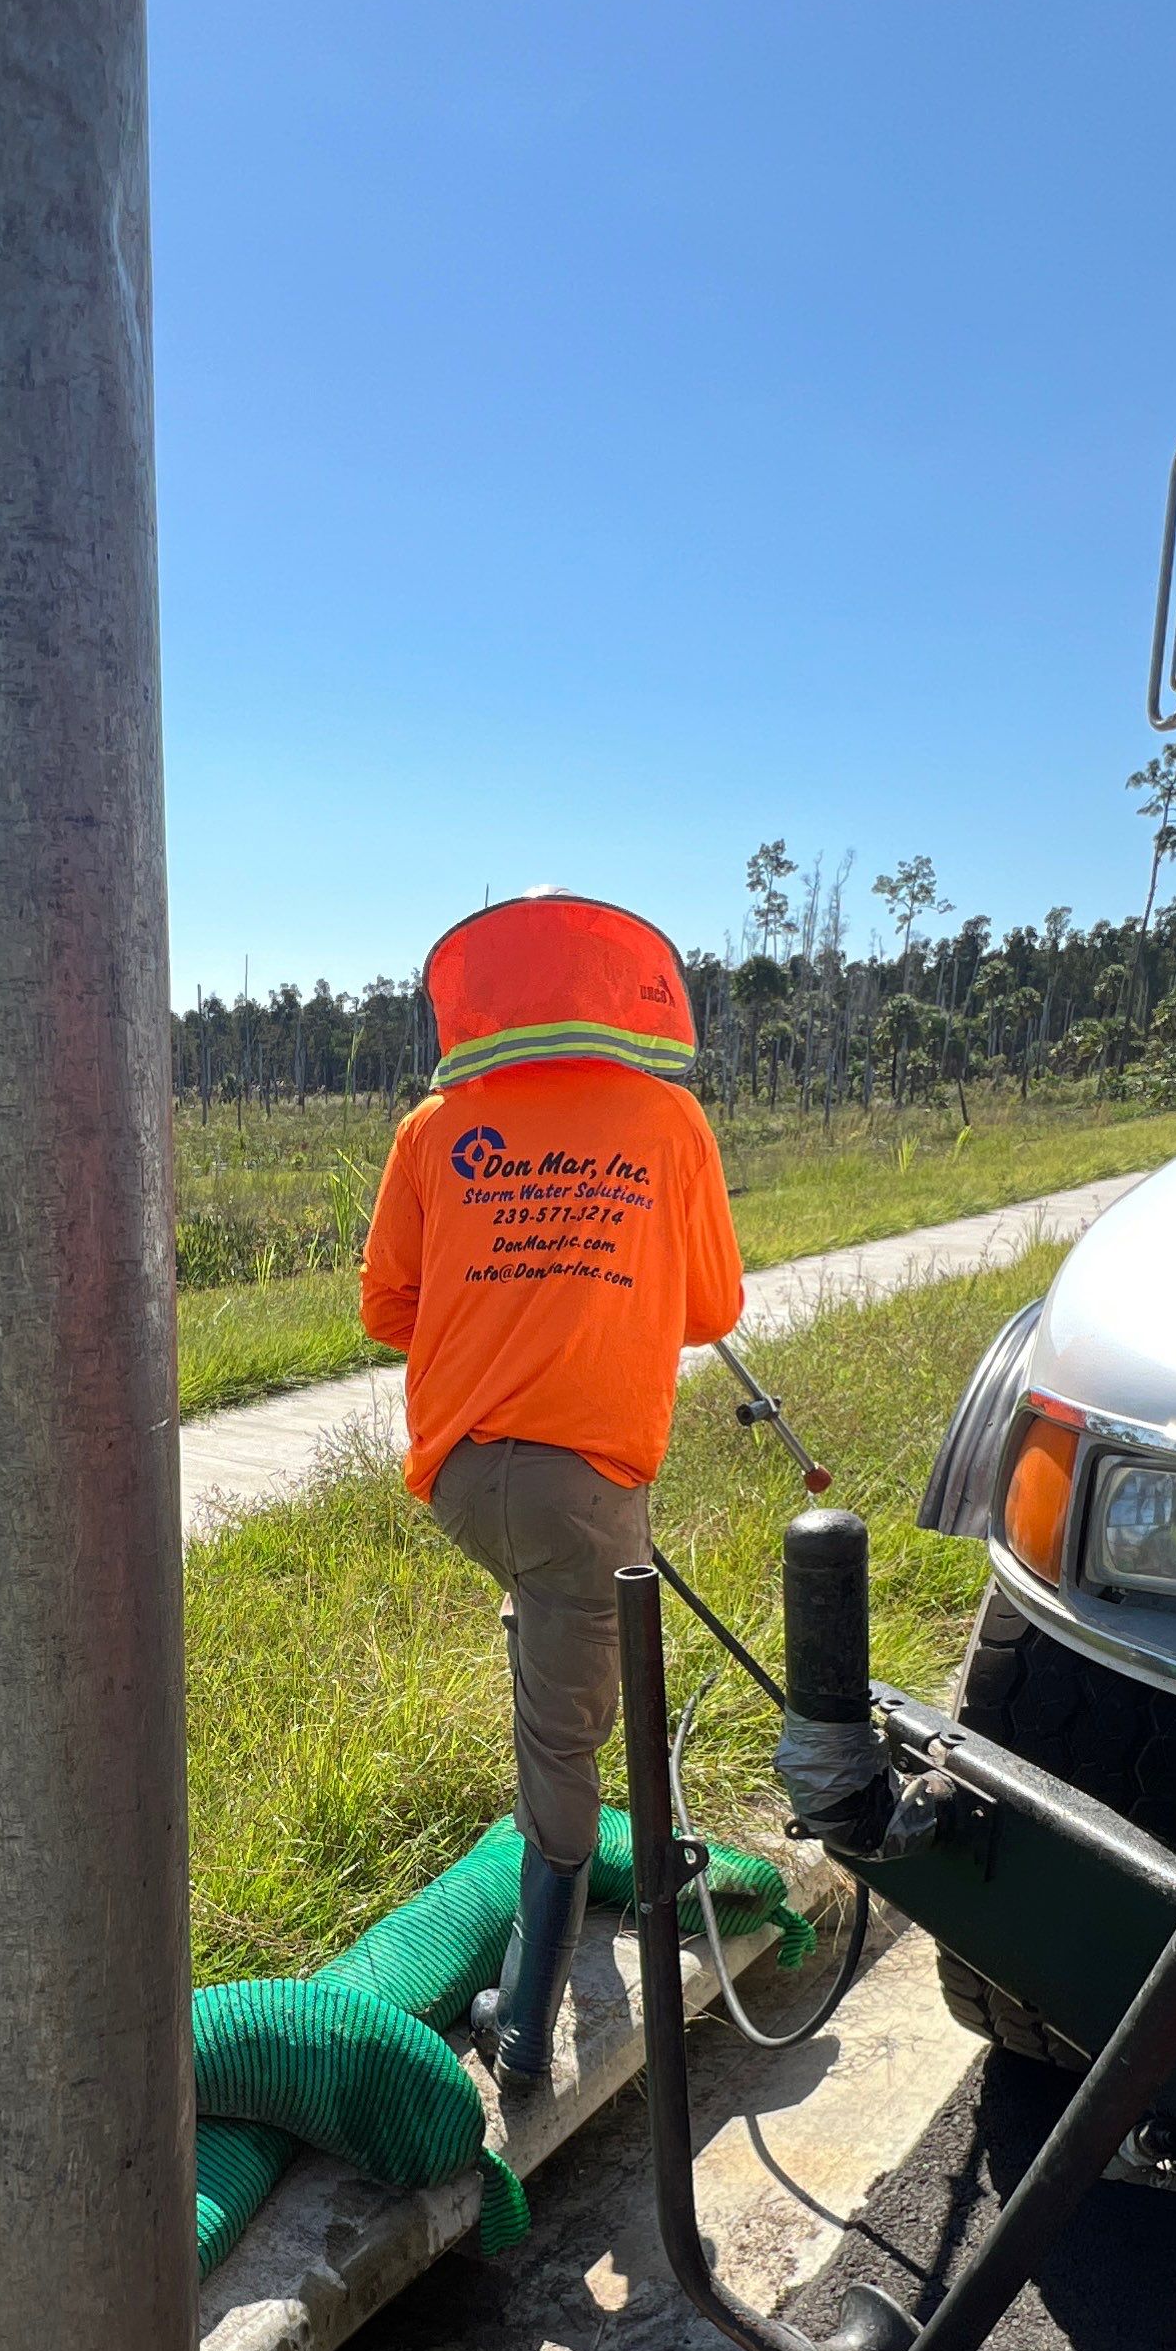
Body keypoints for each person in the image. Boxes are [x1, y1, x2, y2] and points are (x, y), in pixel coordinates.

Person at [360, 891, 744, 2095]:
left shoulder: (435, 1127)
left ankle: (572, 1936)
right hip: (584, 1488)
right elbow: (713, 1310)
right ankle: (525, 2032)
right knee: (567, 1740)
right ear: (621, 999)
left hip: (466, 1478)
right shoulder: (668, 1118)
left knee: (557, 1637)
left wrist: (498, 1287)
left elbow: (384, 1311)